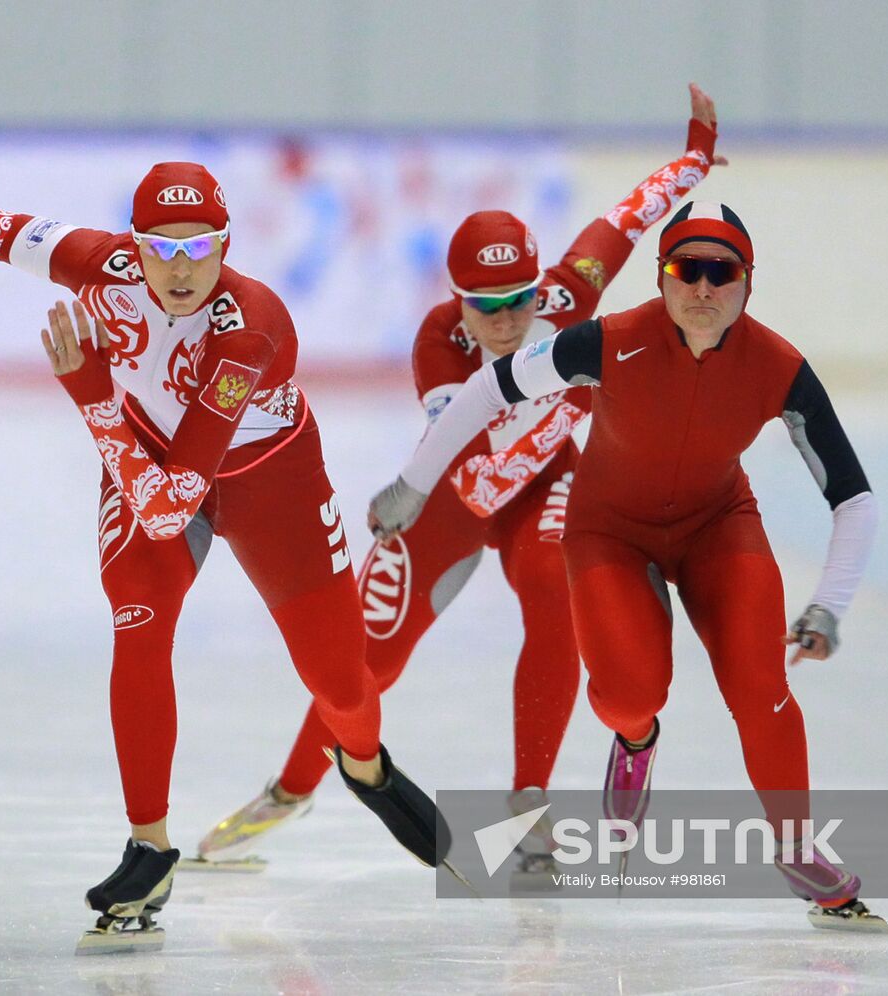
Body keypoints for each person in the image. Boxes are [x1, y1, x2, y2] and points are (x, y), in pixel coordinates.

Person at [0, 121, 448, 945]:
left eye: (199, 247)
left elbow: (173, 504)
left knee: (343, 687)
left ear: (226, 243)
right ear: (132, 246)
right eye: (158, 248)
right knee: (137, 609)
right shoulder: (96, 262)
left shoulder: (253, 328)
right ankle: (150, 844)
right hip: (146, 454)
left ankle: (364, 766)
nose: (178, 268)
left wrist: (92, 394)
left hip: (265, 475)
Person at [197, 85, 727, 871]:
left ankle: (528, 804)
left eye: (519, 301)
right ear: (456, 301)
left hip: (544, 483)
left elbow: (623, 220)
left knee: (556, 597)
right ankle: (296, 784)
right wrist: (410, 488)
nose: (508, 321)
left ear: (538, 286)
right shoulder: (438, 346)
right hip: (450, 502)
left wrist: (689, 161)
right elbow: (468, 426)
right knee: (366, 663)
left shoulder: (569, 293)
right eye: (487, 308)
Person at [367, 200, 888, 933]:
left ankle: (798, 851)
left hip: (718, 529)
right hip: (609, 533)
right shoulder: (608, 342)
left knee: (760, 685)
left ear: (748, 283)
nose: (703, 289)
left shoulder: (780, 368)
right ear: (662, 276)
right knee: (629, 694)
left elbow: (855, 498)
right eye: (687, 269)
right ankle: (636, 740)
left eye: (722, 271)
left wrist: (828, 605)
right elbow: (491, 388)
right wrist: (414, 485)